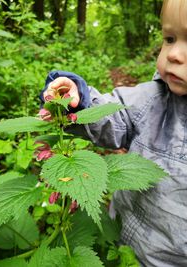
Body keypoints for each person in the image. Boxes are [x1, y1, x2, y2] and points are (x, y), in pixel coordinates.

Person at [40, 0, 187, 266]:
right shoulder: (153, 99)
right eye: (169, 38)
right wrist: (78, 102)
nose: (174, 54)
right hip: (122, 241)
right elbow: (114, 115)